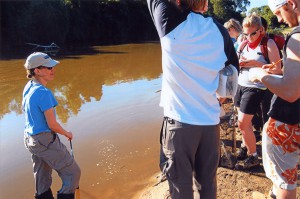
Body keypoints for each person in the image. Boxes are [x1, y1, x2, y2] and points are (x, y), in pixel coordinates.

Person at [147, 0, 239, 198]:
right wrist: (219, 99)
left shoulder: (169, 22)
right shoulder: (219, 31)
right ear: (205, 5)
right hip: (210, 124)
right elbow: (232, 72)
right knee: (208, 187)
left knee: (180, 189)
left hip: (180, 125)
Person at [249, 0, 300, 198]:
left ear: (291, 3)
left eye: (278, 12)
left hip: (287, 121)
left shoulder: (296, 37)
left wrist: (259, 75)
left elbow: (291, 91)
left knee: (284, 181)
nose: (278, 19)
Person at [22, 52, 81, 199]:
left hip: (30, 139)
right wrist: (67, 133)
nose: (53, 70)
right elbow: (52, 125)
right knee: (73, 173)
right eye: (48, 68)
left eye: (52, 67)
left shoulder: (29, 86)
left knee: (42, 178)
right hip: (45, 140)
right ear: (37, 70)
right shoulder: (44, 92)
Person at [234, 13, 282, 169]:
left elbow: (277, 70)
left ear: (261, 30)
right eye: (245, 34)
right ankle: (246, 145)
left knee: (243, 123)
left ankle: (253, 156)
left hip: (256, 88)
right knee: (243, 124)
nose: (248, 37)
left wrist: (255, 63)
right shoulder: (243, 44)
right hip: (240, 85)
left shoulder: (268, 44)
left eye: (252, 33)